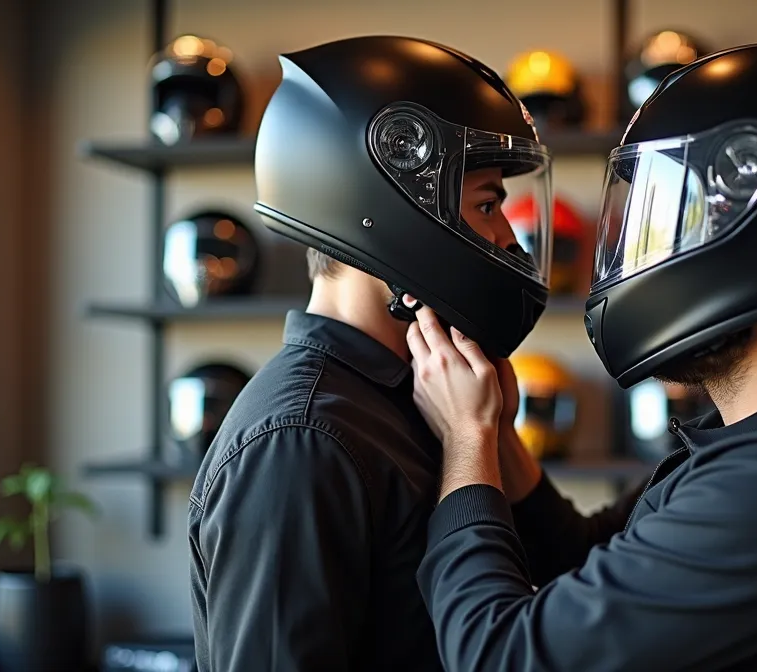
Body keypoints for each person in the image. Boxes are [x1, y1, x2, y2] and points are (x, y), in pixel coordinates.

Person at [405, 42, 757, 671]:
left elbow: (499, 657)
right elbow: (582, 553)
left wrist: (466, 438)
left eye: (668, 215)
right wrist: (494, 431)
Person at [186, 35, 556, 671]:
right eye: (488, 205)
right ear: (393, 212)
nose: (506, 236)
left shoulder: (424, 397)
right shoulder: (302, 441)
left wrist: (489, 436)